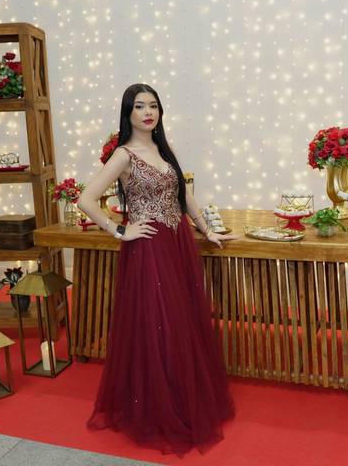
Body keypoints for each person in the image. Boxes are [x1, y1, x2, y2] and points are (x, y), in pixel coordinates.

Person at [78, 83, 235, 455]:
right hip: (148, 249)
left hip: (176, 243)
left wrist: (207, 229)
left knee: (181, 321)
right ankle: (155, 407)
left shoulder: (164, 150)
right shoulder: (124, 155)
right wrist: (120, 231)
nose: (148, 112)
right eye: (139, 106)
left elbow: (184, 196)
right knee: (158, 324)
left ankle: (182, 399)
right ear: (128, 113)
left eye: (153, 106)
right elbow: (85, 199)